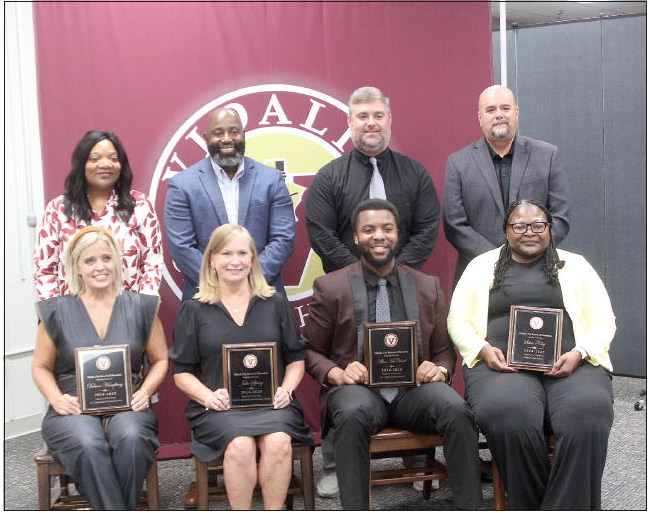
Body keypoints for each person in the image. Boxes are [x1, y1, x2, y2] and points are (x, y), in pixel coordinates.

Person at [304, 199, 483, 510]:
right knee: (352, 411)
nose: (379, 236)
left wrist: (439, 370)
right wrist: (338, 374)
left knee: (455, 407)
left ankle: (470, 506)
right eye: (369, 229)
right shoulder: (331, 287)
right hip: (356, 391)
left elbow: (443, 351)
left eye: (387, 229)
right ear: (356, 237)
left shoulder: (427, 286)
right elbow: (310, 350)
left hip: (412, 392)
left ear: (398, 234)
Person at [448, 199, 615, 509]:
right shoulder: (480, 266)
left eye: (539, 225)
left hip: (572, 364)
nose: (530, 232)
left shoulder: (576, 265)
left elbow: (604, 320)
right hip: (501, 366)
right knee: (508, 412)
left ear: (549, 229)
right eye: (520, 226)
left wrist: (580, 352)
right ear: (506, 231)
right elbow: (456, 321)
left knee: (589, 413)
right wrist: (482, 350)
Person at [170, 224, 312, 510]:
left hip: (272, 403)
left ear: (252, 259)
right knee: (241, 445)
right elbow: (181, 372)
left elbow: (296, 358)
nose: (235, 261)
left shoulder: (275, 302)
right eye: (226, 253)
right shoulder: (194, 309)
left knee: (278, 442)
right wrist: (208, 397)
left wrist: (286, 389)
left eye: (242, 253)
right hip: (219, 407)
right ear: (211, 260)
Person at [31, 226, 168, 510]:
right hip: (72, 405)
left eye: (106, 258)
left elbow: (160, 360)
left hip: (128, 403)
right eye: (90, 261)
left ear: (118, 262)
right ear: (76, 267)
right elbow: (41, 367)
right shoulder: (55, 310)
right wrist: (56, 399)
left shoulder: (143, 306)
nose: (100, 267)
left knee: (131, 438)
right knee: (87, 443)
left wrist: (146, 390)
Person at [164, 107, 295, 301]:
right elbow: (181, 247)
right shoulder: (182, 185)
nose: (226, 139)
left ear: (243, 135)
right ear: (205, 138)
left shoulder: (271, 180)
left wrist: (251, 282)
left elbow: (283, 239)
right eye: (218, 133)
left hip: (262, 295)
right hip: (206, 299)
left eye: (233, 132)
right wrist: (220, 285)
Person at [443, 85, 570, 283]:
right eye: (491, 109)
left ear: (517, 113)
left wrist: (529, 253)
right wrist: (497, 259)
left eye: (505, 108)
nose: (499, 114)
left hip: (539, 273)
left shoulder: (548, 156)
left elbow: (560, 217)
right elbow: (454, 224)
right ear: (480, 117)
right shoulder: (458, 163)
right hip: (479, 276)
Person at [306, 86, 440, 274]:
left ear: (389, 120)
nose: (371, 123)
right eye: (363, 116)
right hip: (346, 289)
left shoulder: (415, 174)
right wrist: (360, 276)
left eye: (378, 116)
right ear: (350, 121)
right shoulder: (328, 177)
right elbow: (322, 235)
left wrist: (396, 274)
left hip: (404, 284)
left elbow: (426, 231)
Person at [33, 130, 163, 300]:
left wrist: (143, 309)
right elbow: (45, 269)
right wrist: (57, 315)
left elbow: (152, 264)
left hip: (129, 315)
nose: (105, 164)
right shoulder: (58, 209)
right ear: (82, 164)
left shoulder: (139, 205)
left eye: (113, 158)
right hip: (72, 316)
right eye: (95, 159)